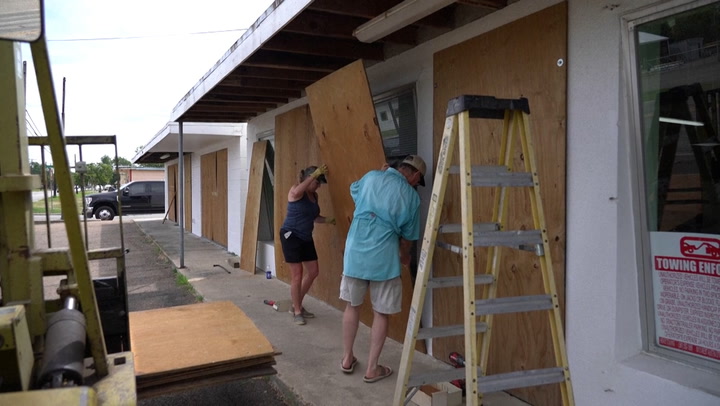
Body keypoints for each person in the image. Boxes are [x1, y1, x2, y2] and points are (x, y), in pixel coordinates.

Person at [339, 154, 426, 383]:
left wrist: (379, 178)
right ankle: (372, 368)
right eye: (418, 181)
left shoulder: (371, 176)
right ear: (415, 175)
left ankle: (347, 359)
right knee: (381, 313)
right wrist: (405, 256)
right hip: (384, 258)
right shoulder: (411, 197)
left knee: (352, 306)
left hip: (355, 252)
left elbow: (355, 192)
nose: (417, 185)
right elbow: (408, 237)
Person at [279, 164, 335, 325]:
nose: (318, 186)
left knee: (313, 271)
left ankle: (296, 304)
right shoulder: (296, 190)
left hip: (305, 236)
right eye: (317, 182)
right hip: (291, 235)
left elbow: (315, 217)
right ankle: (297, 310)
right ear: (308, 179)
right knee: (297, 274)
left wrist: (329, 220)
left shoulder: (314, 196)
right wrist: (314, 175)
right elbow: (297, 192)